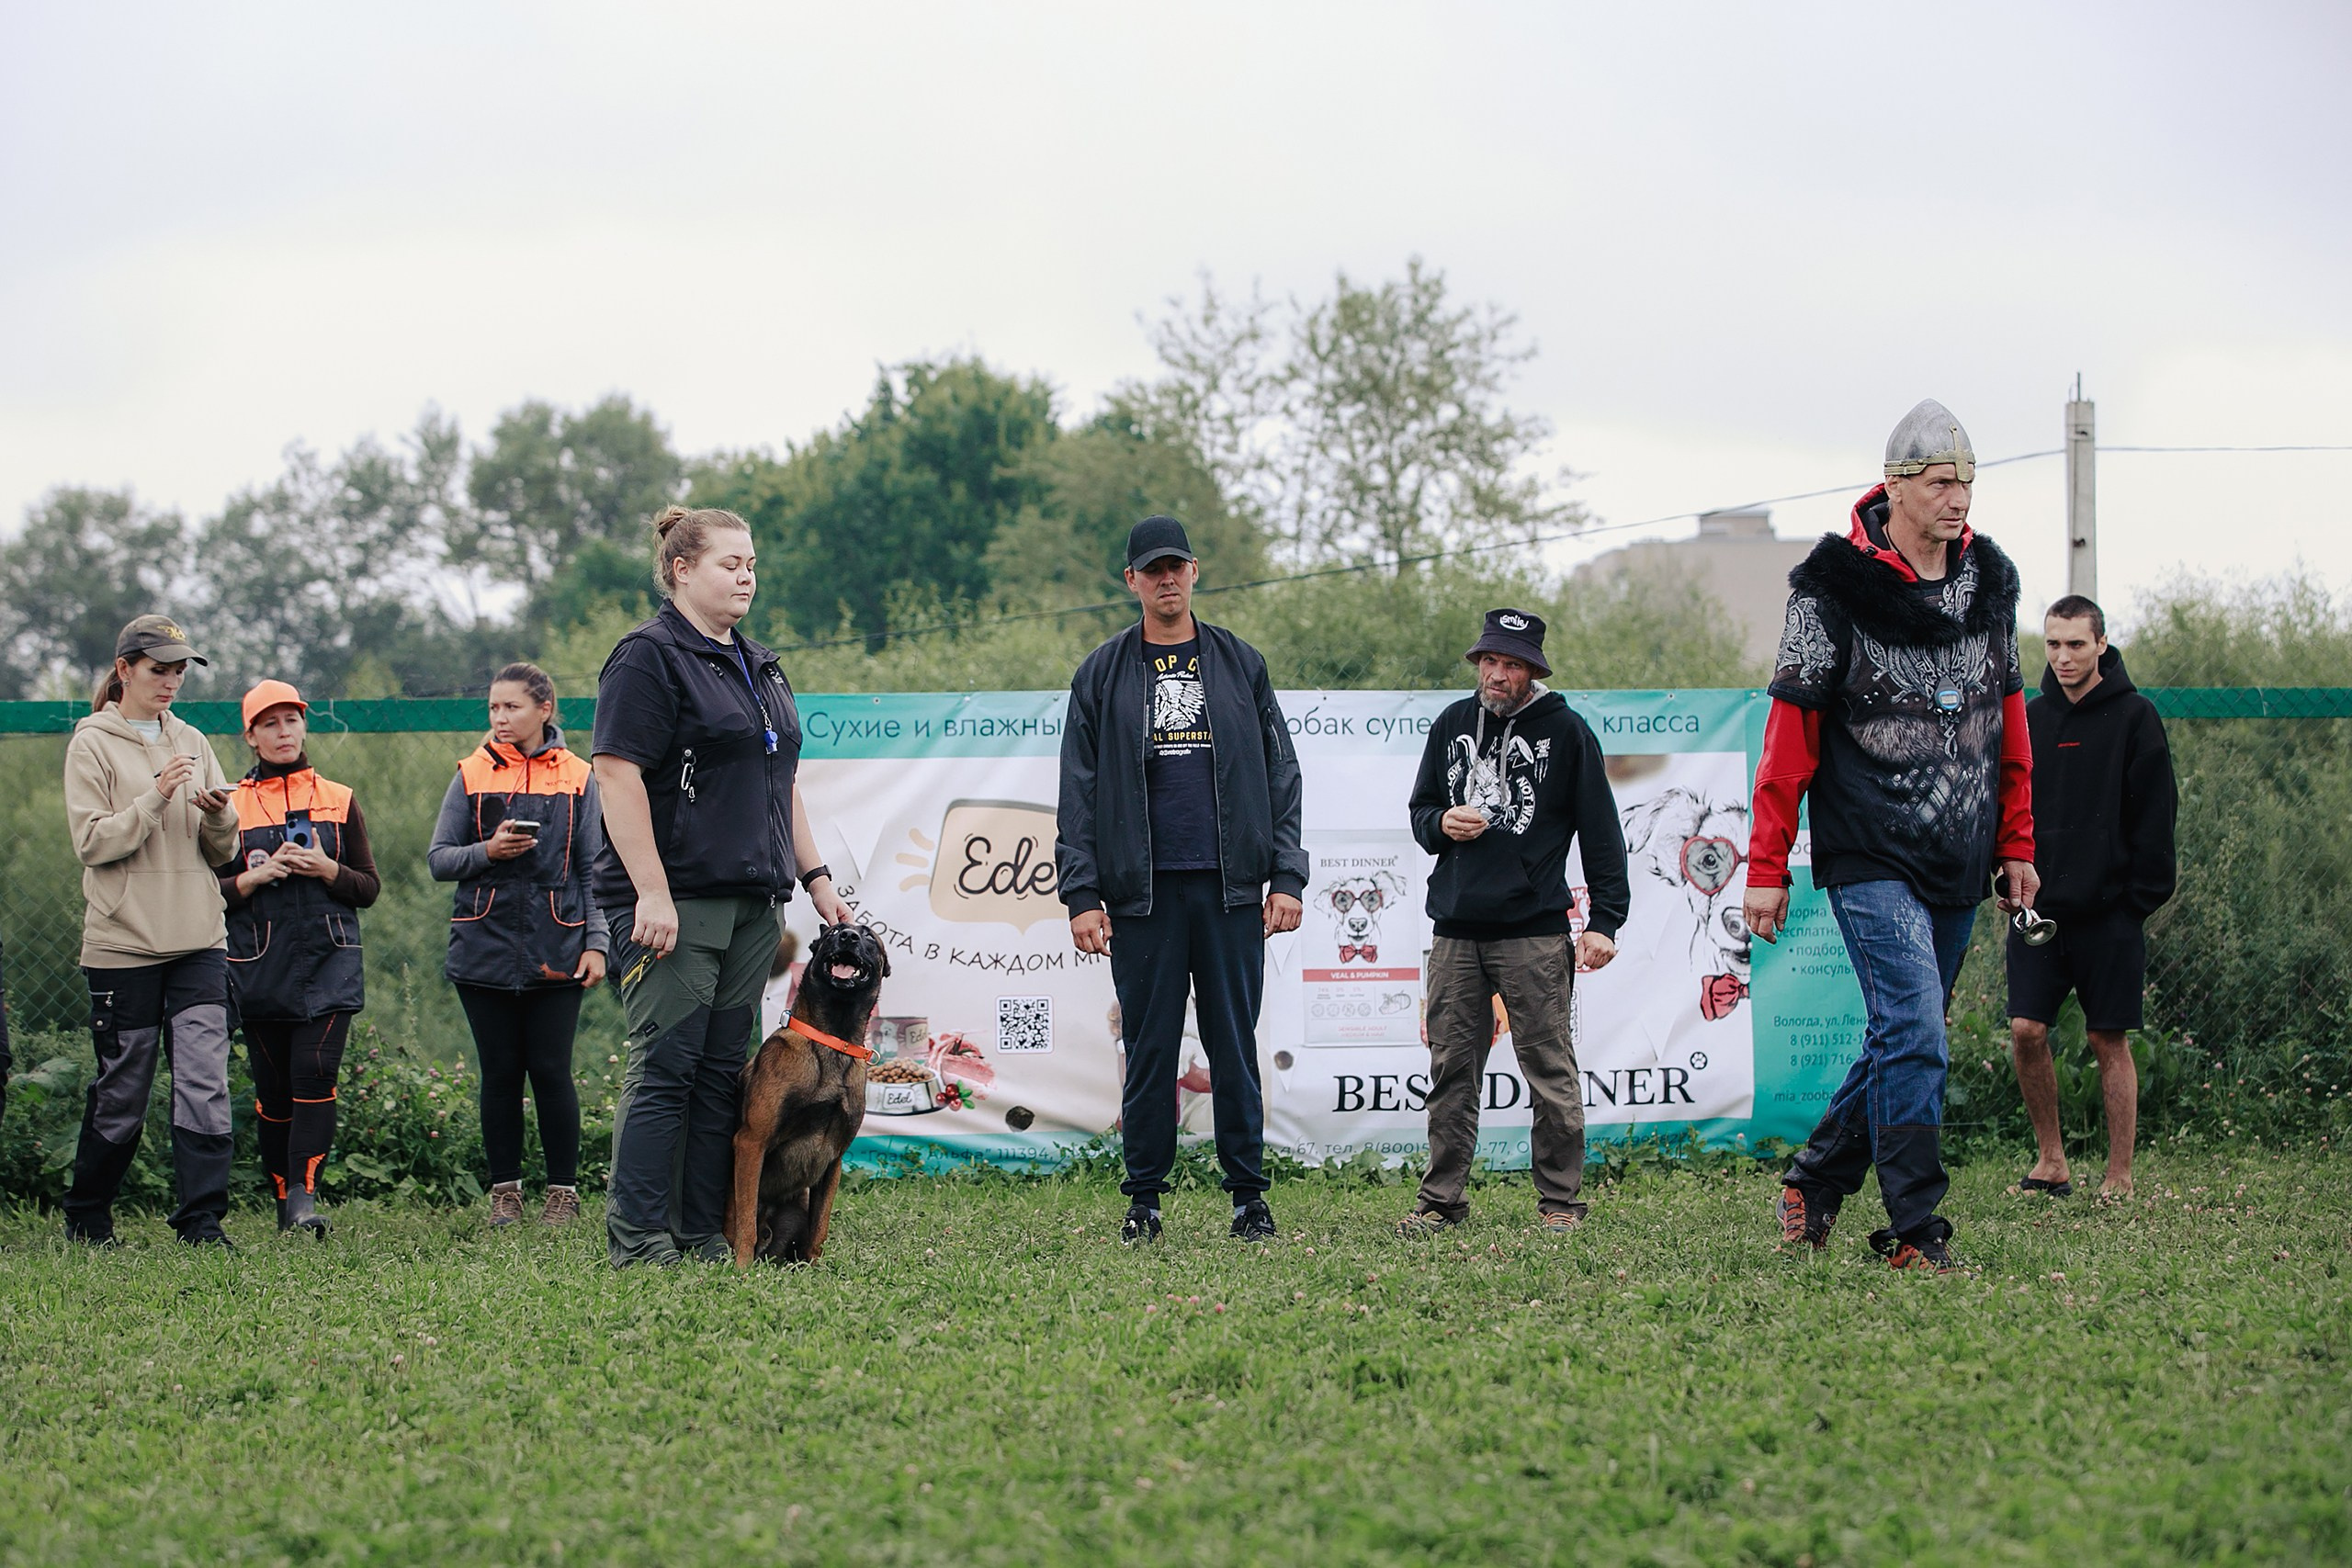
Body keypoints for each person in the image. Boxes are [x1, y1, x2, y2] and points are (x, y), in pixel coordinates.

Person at [1744, 400, 2036, 1273]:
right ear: (1897, 486)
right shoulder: (1829, 592)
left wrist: (2017, 843)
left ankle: (1816, 1178)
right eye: (1942, 482)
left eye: (1967, 482)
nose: (1959, 497)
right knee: (1914, 1029)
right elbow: (1787, 745)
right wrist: (1766, 866)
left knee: (1906, 1036)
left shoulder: (1992, 584)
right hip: (1868, 850)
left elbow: (2010, 726)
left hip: (1960, 850)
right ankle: (1916, 1226)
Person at [592, 505, 851, 1268]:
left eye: (752, 565)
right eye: (729, 564)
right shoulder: (648, 657)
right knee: (666, 1066)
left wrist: (816, 878)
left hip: (754, 905)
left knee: (719, 1075)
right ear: (681, 569)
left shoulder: (760, 664)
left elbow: (782, 781)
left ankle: (701, 1231)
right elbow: (616, 774)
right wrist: (651, 890)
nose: (746, 577)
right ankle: (640, 1238)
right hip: (676, 902)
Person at [1055, 514, 1307, 1245]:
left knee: (1233, 1046)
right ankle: (1145, 1200)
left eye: (1177, 566)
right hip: (1142, 895)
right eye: (1152, 569)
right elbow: (1078, 789)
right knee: (1149, 1049)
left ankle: (1249, 1198)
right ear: (1131, 580)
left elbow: (1282, 774)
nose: (1166, 579)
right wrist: (1082, 893)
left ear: (1195, 571)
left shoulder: (1240, 662)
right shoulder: (1102, 672)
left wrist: (1287, 875)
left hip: (1232, 890)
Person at [1398, 610, 1631, 1236]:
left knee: (1550, 1070)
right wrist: (1441, 822)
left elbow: (1602, 836)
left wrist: (1606, 921)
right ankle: (1440, 1202)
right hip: (1454, 929)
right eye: (1489, 661)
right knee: (1450, 1071)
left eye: (1511, 664)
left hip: (1534, 930)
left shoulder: (1568, 732)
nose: (1497, 675)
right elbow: (1421, 811)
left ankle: (1560, 1202)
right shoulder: (1451, 723)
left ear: (1533, 671)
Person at [60, 615, 242, 1247]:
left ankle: (202, 1221)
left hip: (200, 939)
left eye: (179, 671)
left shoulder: (192, 739)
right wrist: (156, 797)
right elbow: (92, 842)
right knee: (124, 1087)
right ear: (125, 669)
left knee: (204, 1081)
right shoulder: (91, 744)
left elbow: (222, 852)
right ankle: (88, 1215)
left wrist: (220, 817)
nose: (170, 682)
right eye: (158, 669)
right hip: (123, 943)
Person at [2007, 597, 2177, 1200]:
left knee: (2108, 1039)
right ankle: (2051, 1161)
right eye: (2053, 644)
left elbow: (2157, 819)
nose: (2064, 657)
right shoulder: (2029, 717)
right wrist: (2008, 879)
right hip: (2038, 913)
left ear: (2101, 644)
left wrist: (2134, 903)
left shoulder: (2136, 717)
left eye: (2076, 644)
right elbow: (2008, 808)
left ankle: (2119, 1174)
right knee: (2026, 1030)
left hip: (2110, 915)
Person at [429, 662, 607, 1229]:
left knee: (552, 1071)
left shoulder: (579, 776)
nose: (500, 718)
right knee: (500, 1073)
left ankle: (563, 1194)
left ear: (544, 709)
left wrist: (597, 943)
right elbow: (440, 859)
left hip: (560, 945)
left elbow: (594, 868)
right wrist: (487, 851)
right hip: (482, 944)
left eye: (512, 707)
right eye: (493, 708)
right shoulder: (471, 772)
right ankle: (505, 1194)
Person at [216, 680, 380, 1238]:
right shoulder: (230, 805)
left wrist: (327, 869)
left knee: (315, 1075)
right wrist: (256, 876)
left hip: (330, 962)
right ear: (251, 736)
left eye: (291, 720)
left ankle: (304, 1201)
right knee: (274, 1093)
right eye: (270, 724)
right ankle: (284, 1200)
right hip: (257, 965)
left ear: (304, 726)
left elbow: (368, 887)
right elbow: (209, 891)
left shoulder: (339, 798)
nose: (283, 732)